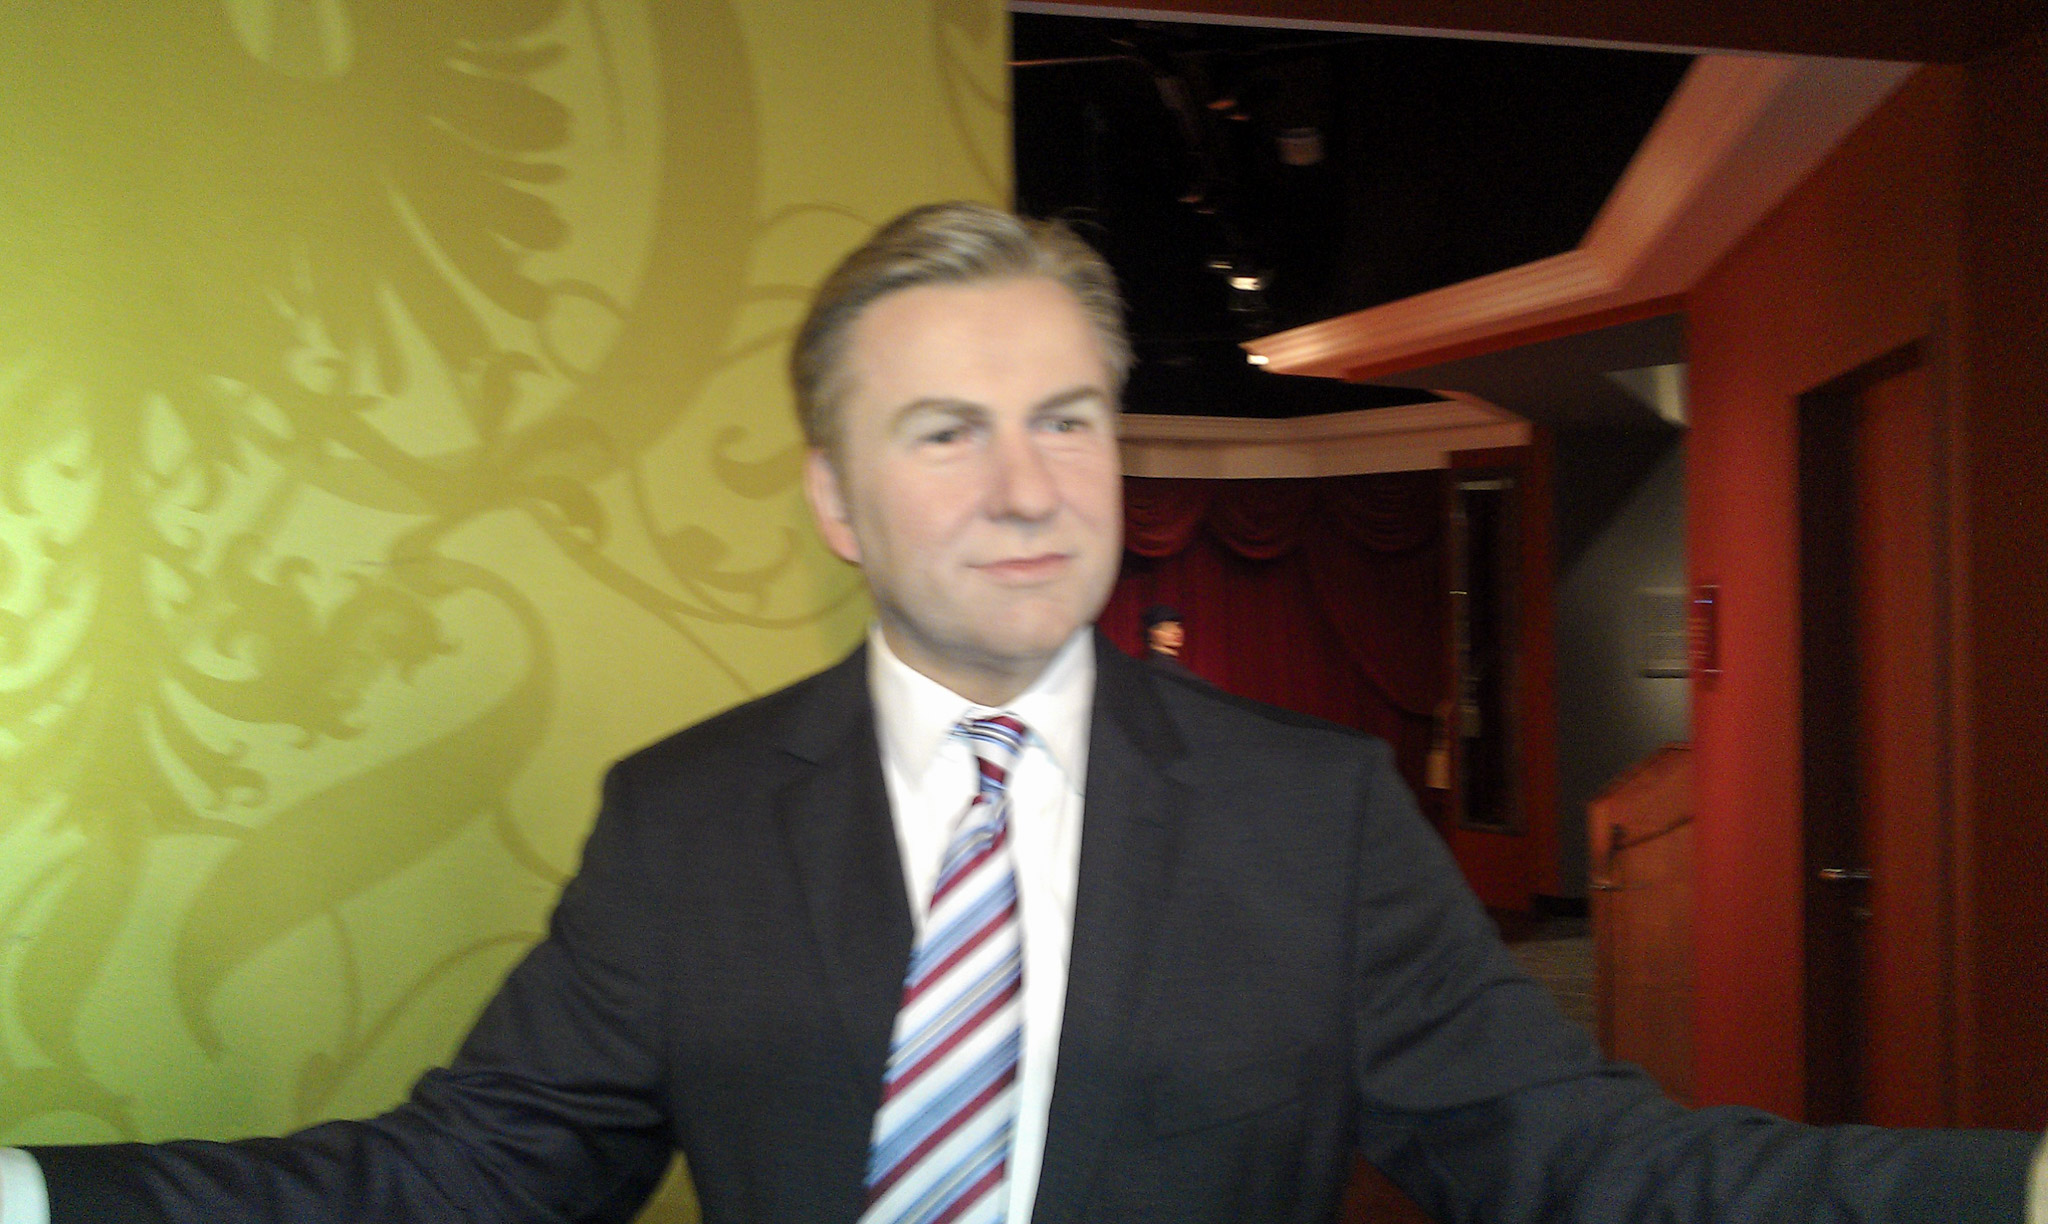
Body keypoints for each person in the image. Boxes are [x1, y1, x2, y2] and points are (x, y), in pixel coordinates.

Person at [3, 202, 2041, 1223]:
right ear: (833, 497)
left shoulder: (1316, 811)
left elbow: (1586, 1157)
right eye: (944, 430)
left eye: (1065, 417)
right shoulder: (683, 820)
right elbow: (462, 1174)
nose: (1024, 485)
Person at [1139, 603, 1200, 681]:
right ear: (1151, 633)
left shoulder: (1174, 666)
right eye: (1167, 627)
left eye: (1178, 625)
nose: (1177, 632)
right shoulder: (1157, 668)